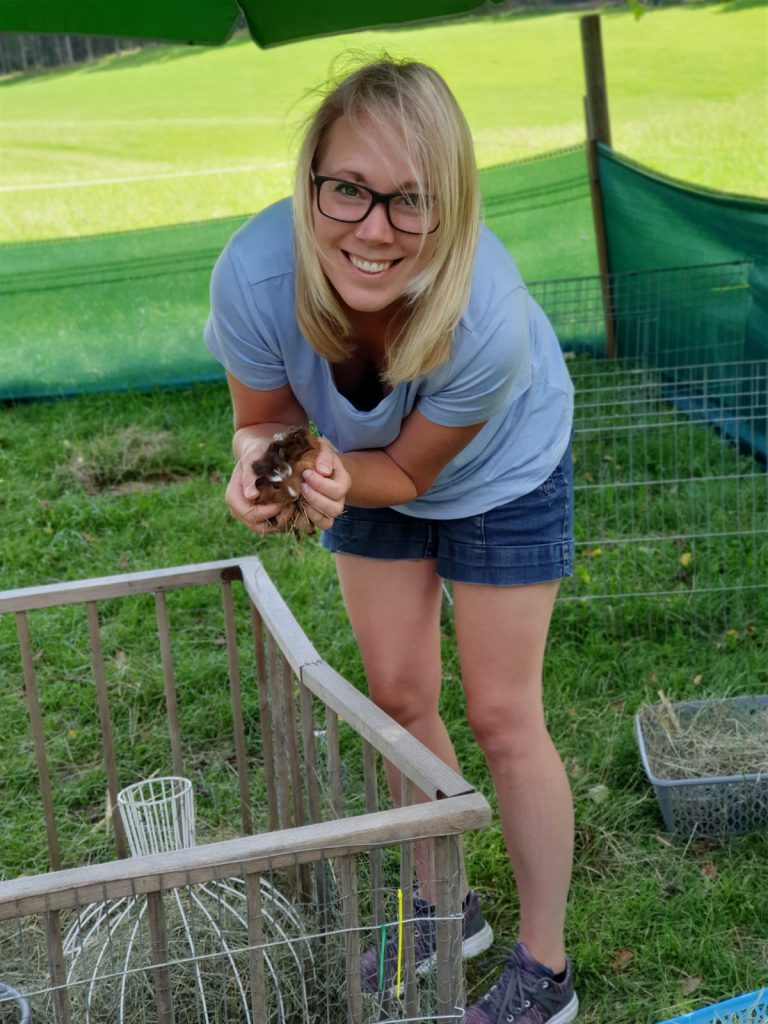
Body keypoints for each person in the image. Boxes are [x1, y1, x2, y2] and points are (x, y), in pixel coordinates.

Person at [205, 57, 578, 1024]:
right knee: (399, 699)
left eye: (410, 201)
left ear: (450, 207)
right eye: (348, 190)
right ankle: (445, 910)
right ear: (310, 179)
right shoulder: (253, 274)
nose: (373, 230)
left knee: (502, 715)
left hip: (500, 466)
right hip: (358, 455)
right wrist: (263, 465)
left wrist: (331, 470)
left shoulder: (485, 319)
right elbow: (264, 419)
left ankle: (546, 969)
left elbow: (410, 475)